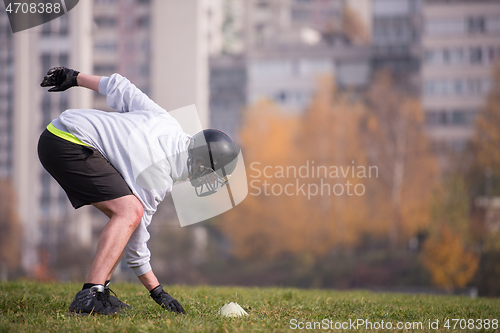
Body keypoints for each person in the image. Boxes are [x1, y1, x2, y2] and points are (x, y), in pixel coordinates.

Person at [37, 67, 240, 315]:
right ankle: (90, 294)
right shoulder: (157, 176)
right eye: (213, 173)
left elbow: (120, 87)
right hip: (68, 143)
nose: (212, 182)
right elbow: (136, 246)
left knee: (125, 215)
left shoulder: (168, 123)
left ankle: (99, 293)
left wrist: (74, 77)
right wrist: (157, 291)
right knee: (130, 212)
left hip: (59, 133)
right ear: (200, 164)